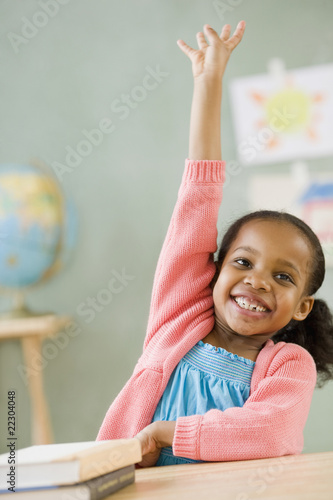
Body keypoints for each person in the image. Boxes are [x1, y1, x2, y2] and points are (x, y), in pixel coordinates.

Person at [96, 21, 333, 468]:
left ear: (303, 305)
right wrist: (209, 83)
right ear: (216, 270)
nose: (258, 281)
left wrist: (171, 434)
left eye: (283, 276)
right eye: (243, 262)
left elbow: (271, 429)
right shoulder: (178, 314)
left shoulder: (288, 365)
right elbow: (197, 199)